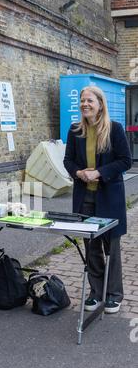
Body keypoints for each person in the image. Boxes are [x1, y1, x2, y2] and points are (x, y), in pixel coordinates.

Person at [64, 86, 132, 314]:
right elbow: (68, 161)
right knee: (91, 247)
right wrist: (79, 173)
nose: (85, 104)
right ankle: (96, 291)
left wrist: (100, 172)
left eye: (89, 100)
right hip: (84, 198)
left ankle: (113, 294)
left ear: (100, 104)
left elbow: (125, 161)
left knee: (111, 247)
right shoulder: (74, 131)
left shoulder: (115, 129)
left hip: (109, 198)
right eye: (82, 100)